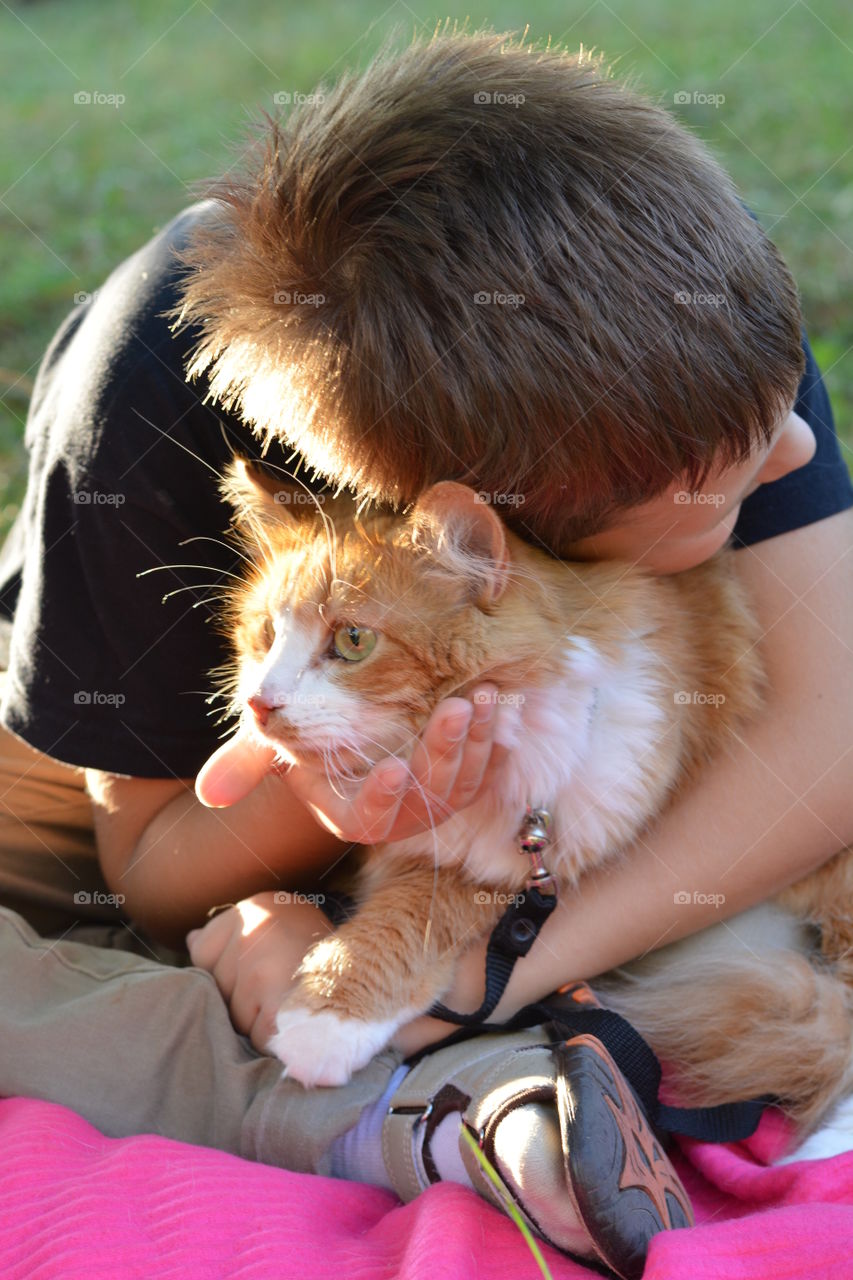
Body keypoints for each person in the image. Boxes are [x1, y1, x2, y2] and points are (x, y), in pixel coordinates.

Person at [0, 29, 850, 1279]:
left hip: (534, 788)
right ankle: (437, 1103)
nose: (787, 453)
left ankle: (472, 1052)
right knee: (96, 952)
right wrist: (332, 797)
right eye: (718, 490)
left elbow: (829, 728)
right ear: (498, 536)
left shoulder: (690, 334)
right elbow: (150, 864)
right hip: (167, 786)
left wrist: (482, 973)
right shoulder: (138, 406)